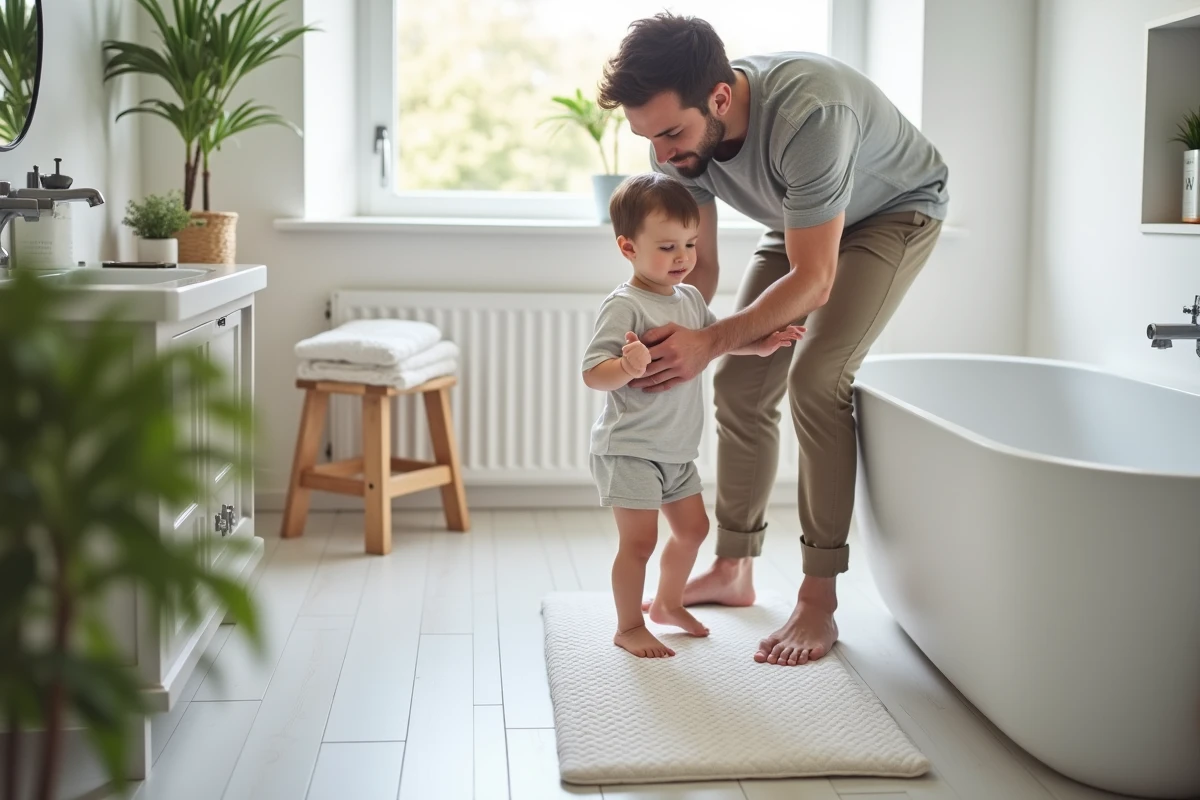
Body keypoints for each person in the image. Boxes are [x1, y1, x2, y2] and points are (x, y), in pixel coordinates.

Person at [596, 13, 949, 666]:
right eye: (648, 138)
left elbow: (814, 280)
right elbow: (697, 272)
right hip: (800, 220)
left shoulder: (811, 113)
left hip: (892, 213)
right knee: (739, 380)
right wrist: (669, 341)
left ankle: (818, 600)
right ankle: (734, 569)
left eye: (672, 132)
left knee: (818, 381)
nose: (663, 154)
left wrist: (713, 339)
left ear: (720, 99)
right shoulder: (675, 143)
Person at [582, 172, 804, 659]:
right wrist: (625, 366)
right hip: (630, 449)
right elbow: (593, 373)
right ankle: (628, 625)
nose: (682, 257)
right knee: (639, 543)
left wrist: (758, 343)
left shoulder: (690, 299)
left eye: (690, 243)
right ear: (628, 248)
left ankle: (666, 602)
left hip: (677, 451)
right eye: (667, 247)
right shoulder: (624, 306)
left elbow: (713, 342)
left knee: (694, 531)